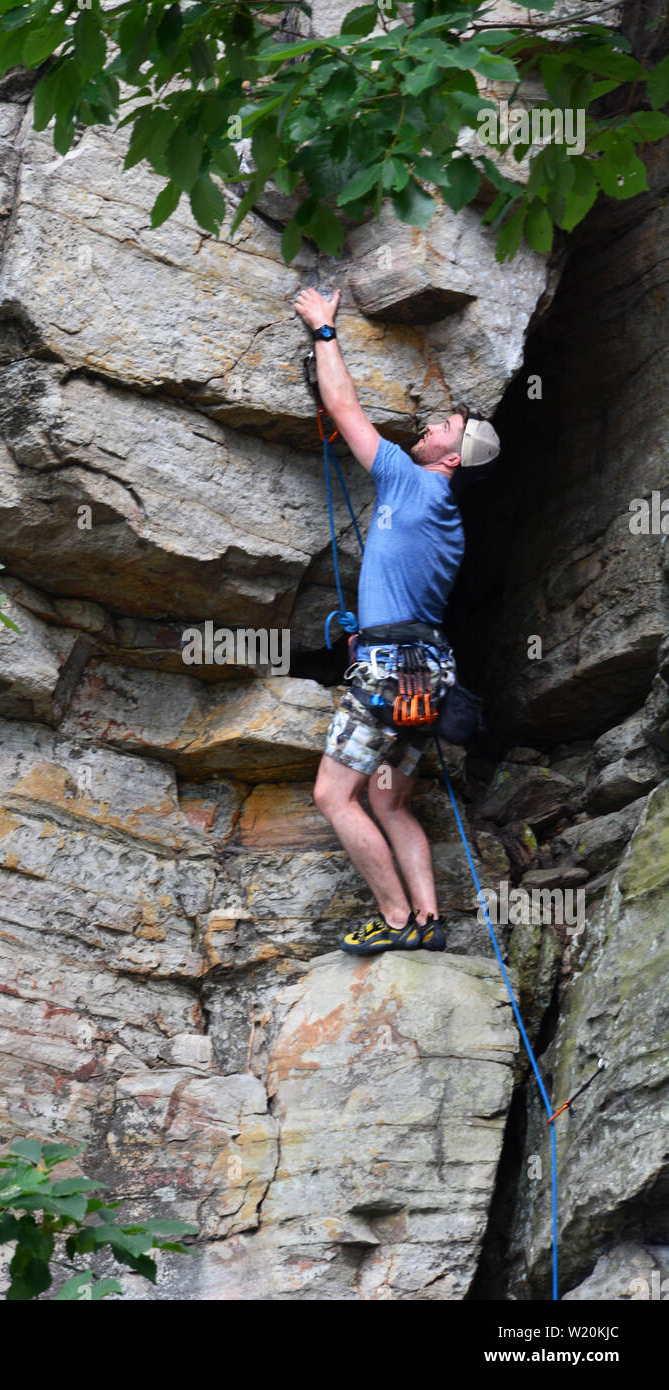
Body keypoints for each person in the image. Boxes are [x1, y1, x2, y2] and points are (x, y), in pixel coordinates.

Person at [293, 285, 500, 956]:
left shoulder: (416, 484)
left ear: (450, 460)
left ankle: (394, 919)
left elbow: (346, 408)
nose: (432, 423)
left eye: (445, 428)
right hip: (428, 676)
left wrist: (325, 331)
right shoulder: (449, 522)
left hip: (388, 671)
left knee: (335, 796)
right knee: (391, 801)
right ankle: (429, 920)